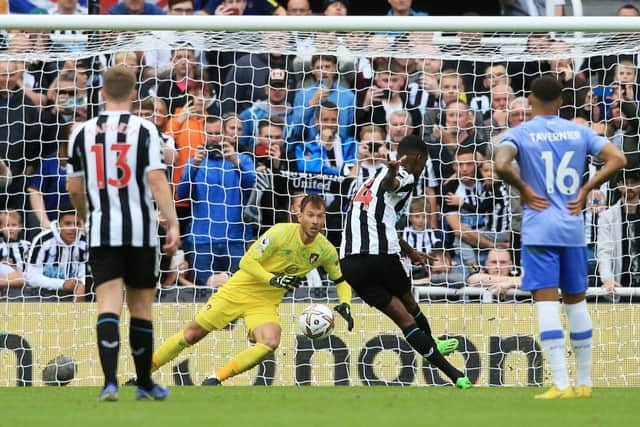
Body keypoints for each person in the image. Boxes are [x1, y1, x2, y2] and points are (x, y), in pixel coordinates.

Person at [494, 75, 627, 399]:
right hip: (572, 227)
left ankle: (561, 383)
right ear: (561, 101)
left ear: (530, 99)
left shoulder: (520, 133)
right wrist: (585, 189)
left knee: (546, 302)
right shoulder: (580, 132)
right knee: (576, 302)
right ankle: (584, 382)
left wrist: (524, 188)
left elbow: (500, 164)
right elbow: (618, 159)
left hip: (539, 227)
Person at [149, 195, 354, 385]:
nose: (315, 221)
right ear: (299, 216)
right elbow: (247, 261)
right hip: (237, 291)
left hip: (264, 303)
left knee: (270, 341)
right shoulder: (281, 232)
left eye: (320, 216)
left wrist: (345, 302)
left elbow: (341, 279)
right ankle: (144, 373)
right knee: (191, 335)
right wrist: (273, 279)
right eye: (310, 215)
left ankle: (215, 379)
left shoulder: (325, 249)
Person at [66, 65, 180, 401]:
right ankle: (144, 383)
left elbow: (74, 187)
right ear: (133, 94)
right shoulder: (146, 129)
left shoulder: (81, 132)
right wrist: (172, 223)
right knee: (141, 307)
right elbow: (157, 180)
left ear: (101, 93)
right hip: (142, 231)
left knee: (108, 305)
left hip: (103, 230)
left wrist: (88, 215)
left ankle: (110, 382)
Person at [339, 134, 471, 390]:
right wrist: (391, 173)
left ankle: (454, 374)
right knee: (409, 302)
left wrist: (410, 252)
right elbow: (392, 183)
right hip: (380, 256)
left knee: (404, 321)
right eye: (424, 163)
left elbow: (381, 219)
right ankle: (437, 346)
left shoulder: (367, 181)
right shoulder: (405, 174)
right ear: (419, 158)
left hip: (350, 262)